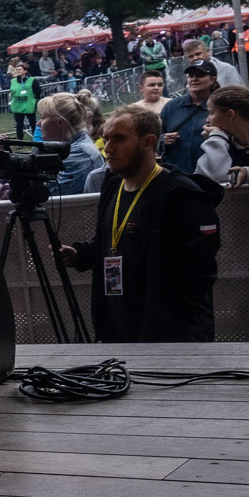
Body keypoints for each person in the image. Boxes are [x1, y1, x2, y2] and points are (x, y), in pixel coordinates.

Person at [57, 103, 219, 342]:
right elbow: (114, 242)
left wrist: (167, 327)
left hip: (167, 338)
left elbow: (198, 275)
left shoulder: (181, 195)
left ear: (148, 142)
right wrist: (80, 254)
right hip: (117, 328)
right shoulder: (113, 183)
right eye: (106, 139)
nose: (108, 148)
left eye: (119, 139)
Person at [38, 92, 103, 196]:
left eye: (43, 117)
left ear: (60, 123)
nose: (38, 123)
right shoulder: (75, 146)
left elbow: (49, 197)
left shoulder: (79, 154)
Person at [199, 85, 249, 189]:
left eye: (211, 113)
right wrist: (216, 139)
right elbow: (207, 180)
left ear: (230, 115)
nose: (207, 119)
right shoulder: (221, 142)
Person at [160, 59, 218, 175]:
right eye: (191, 76)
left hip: (209, 174)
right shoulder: (171, 107)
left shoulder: (219, 107)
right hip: (176, 175)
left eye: (200, 75)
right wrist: (163, 139)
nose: (194, 79)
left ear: (212, 80)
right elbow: (156, 136)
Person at [168, 36, 243, 93]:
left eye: (198, 54)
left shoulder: (227, 69)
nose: (195, 58)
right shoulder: (190, 74)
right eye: (191, 56)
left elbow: (240, 94)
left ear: (208, 52)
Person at [6, 62, 37, 139]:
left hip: (29, 105)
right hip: (17, 105)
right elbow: (11, 93)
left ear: (25, 71)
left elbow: (37, 92)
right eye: (17, 69)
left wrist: (35, 102)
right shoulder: (13, 81)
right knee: (19, 125)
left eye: (20, 69)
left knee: (33, 123)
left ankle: (37, 139)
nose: (18, 71)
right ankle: (20, 140)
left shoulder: (32, 80)